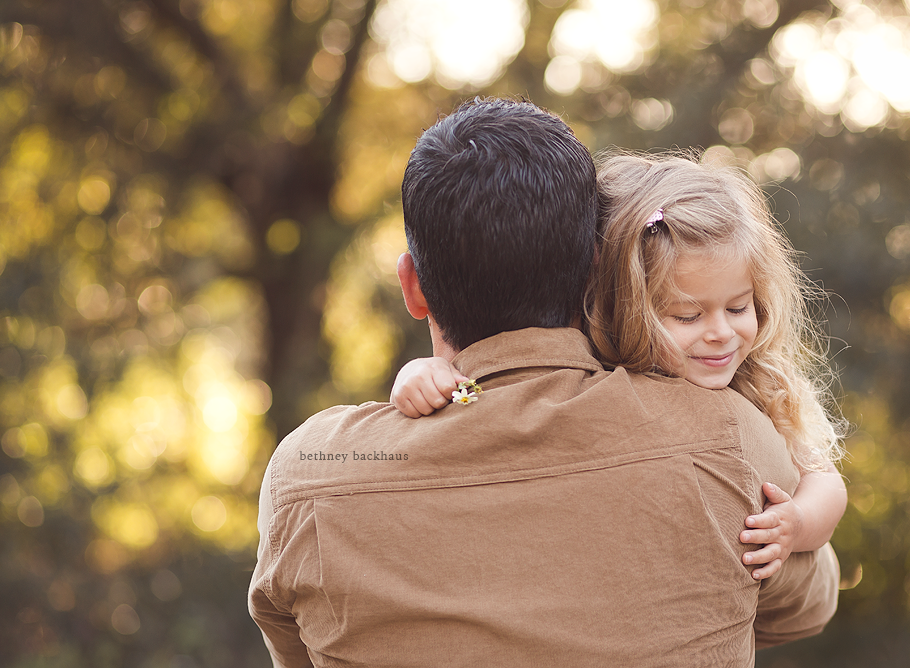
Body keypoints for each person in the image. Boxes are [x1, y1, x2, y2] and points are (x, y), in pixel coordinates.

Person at [249, 99, 839, 667]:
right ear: (600, 270)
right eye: (688, 315)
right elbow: (805, 605)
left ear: (413, 287)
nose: (720, 332)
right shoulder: (727, 435)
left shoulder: (311, 472)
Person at [392, 151, 848, 582]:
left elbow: (825, 481)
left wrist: (798, 523)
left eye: (738, 307)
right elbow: (493, 400)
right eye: (687, 316)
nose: (721, 333)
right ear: (622, 308)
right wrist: (427, 375)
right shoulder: (590, 370)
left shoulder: (755, 385)